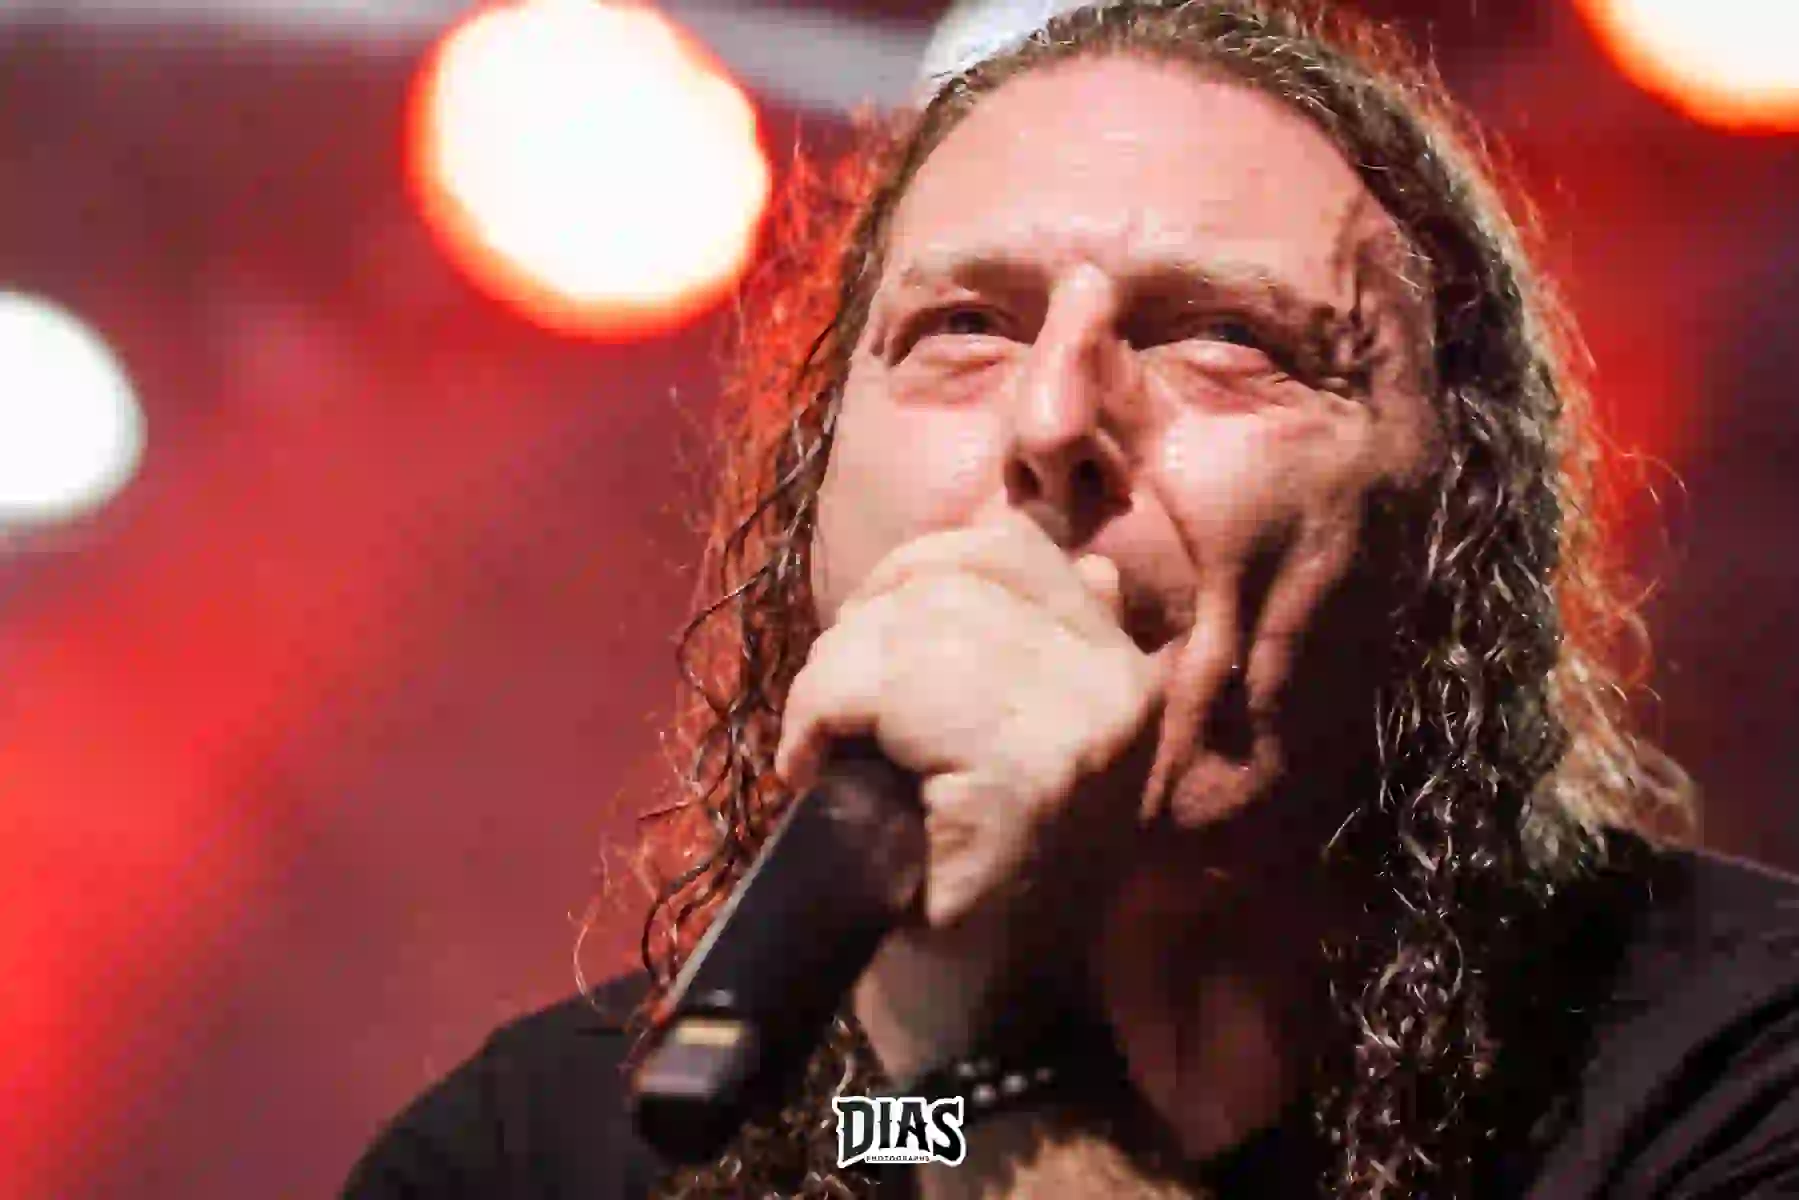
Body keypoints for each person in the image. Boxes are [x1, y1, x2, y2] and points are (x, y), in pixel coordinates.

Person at [342, 2, 1799, 1197]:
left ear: (1451, 527)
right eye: (964, 327)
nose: (1052, 419)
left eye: (1224, 338)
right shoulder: (534, 1158)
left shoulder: (1734, 1070)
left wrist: (993, 1063)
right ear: (813, 496)